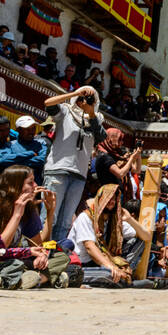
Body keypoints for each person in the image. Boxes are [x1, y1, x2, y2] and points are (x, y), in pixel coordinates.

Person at [41, 85, 107, 241]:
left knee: (65, 221)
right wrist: (75, 93)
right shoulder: (65, 112)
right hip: (58, 169)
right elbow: (48, 103)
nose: (83, 101)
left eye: (89, 98)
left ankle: (55, 255)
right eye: (81, 98)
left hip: (79, 174)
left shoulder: (96, 120)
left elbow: (101, 137)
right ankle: (40, 252)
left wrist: (90, 113)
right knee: (50, 216)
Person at [70, 183, 148, 287]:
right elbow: (90, 247)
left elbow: (146, 237)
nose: (111, 202)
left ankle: (122, 275)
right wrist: (111, 267)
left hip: (103, 261)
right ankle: (120, 278)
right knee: (108, 275)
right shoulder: (86, 217)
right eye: (108, 198)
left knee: (139, 242)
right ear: (99, 199)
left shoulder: (114, 220)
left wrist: (129, 219)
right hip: (82, 263)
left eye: (114, 199)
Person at [0, 166, 56, 249]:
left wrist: (50, 212)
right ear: (15, 186)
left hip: (16, 256)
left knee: (67, 245)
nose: (35, 185)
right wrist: (17, 215)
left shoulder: (28, 208)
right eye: (30, 182)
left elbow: (38, 245)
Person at [0, 115, 50, 184]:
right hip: (13, 185)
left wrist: (16, 163)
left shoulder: (40, 144)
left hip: (34, 186)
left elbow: (43, 160)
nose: (31, 132)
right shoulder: (9, 145)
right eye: (27, 129)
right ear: (18, 130)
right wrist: (30, 153)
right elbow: (3, 159)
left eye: (33, 128)